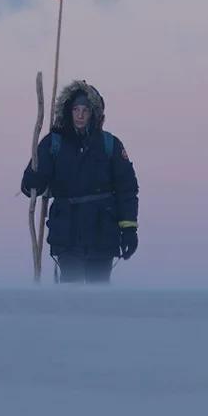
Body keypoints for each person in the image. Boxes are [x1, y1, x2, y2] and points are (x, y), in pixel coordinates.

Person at [21, 80, 139, 283]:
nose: (80, 114)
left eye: (85, 109)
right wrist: (33, 179)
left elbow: (126, 190)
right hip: (67, 235)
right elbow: (32, 185)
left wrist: (129, 229)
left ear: (94, 112)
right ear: (68, 111)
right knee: (71, 295)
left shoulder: (109, 144)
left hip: (102, 233)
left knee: (99, 294)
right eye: (76, 109)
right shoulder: (53, 144)